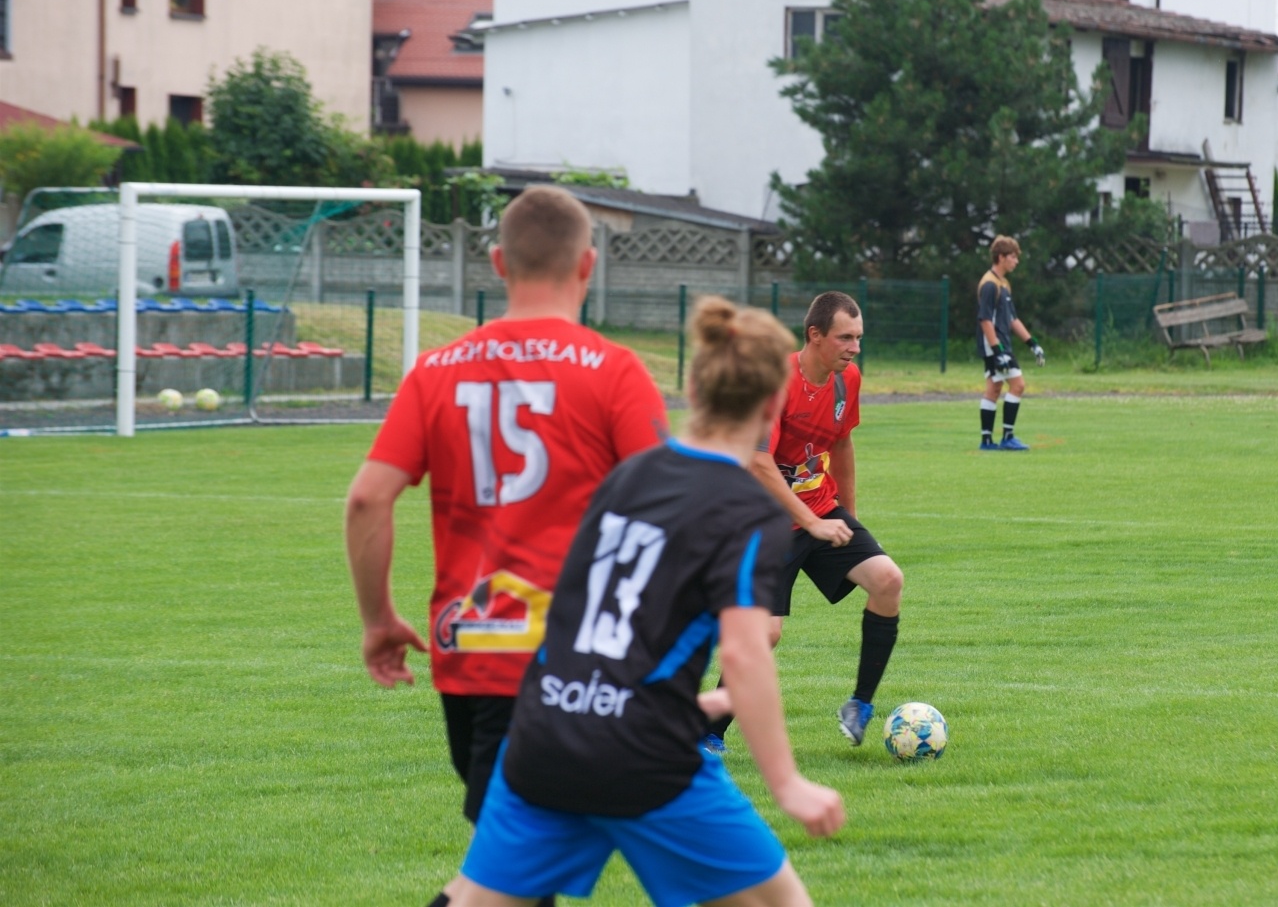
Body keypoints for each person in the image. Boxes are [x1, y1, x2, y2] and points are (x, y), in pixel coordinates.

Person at [450, 296, 845, 907]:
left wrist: (679, 701)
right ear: (773, 405)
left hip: (543, 732)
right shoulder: (747, 510)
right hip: (642, 754)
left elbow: (591, 625)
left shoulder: (624, 476)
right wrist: (788, 784)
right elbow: (743, 653)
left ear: (693, 386)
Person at [345, 185, 668, 907]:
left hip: (474, 660)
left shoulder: (435, 371)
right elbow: (661, 517)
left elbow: (368, 497)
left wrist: (379, 619)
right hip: (578, 666)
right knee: (508, 880)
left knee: (519, 870)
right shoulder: (615, 372)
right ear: (588, 265)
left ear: (496, 262)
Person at [706, 290, 905, 750]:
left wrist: (850, 520)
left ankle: (859, 705)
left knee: (888, 580)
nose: (855, 347)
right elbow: (758, 462)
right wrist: (811, 524)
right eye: (845, 338)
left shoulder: (846, 379)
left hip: (820, 509)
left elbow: (842, 445)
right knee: (767, 634)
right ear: (815, 336)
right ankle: (708, 734)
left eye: (858, 337)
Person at [976, 235, 1045, 451]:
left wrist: (1032, 343)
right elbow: (985, 320)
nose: (1016, 262)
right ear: (1001, 257)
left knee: (994, 388)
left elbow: (1013, 319)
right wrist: (997, 351)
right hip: (995, 345)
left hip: (1002, 344)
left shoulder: (1004, 284)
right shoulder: (989, 284)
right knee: (1018, 385)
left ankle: (987, 440)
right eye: (1013, 257)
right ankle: (1007, 437)